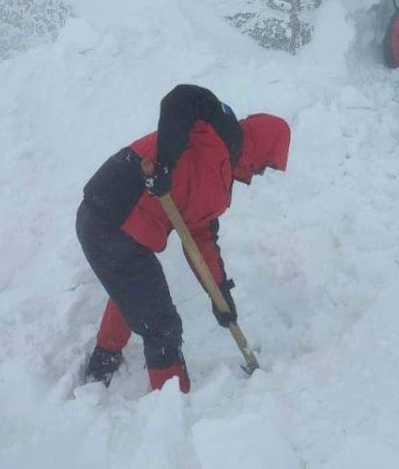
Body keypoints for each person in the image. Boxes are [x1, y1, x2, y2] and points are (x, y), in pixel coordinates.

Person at [77, 84, 291, 392]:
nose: (260, 174)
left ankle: (102, 364)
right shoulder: (217, 135)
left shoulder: (220, 182)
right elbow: (183, 97)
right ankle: (171, 406)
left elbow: (201, 236)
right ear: (262, 149)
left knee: (135, 288)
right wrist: (165, 162)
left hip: (116, 225)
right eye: (267, 165)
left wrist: (219, 293)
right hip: (109, 216)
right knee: (162, 327)